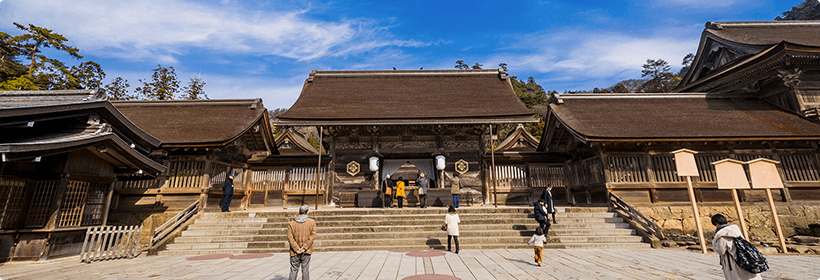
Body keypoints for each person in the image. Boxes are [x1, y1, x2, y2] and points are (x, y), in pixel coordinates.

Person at [712, 214, 762, 280]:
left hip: (733, 263)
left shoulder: (721, 235)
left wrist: (714, 241)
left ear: (716, 224)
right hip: (743, 259)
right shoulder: (735, 230)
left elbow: (720, 251)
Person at [288, 205, 317, 280]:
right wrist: (304, 247)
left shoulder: (292, 223)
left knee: (293, 270)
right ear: (307, 212)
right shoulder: (312, 222)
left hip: (294, 251)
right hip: (306, 251)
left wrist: (297, 248)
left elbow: (290, 237)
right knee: (305, 270)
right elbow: (313, 235)